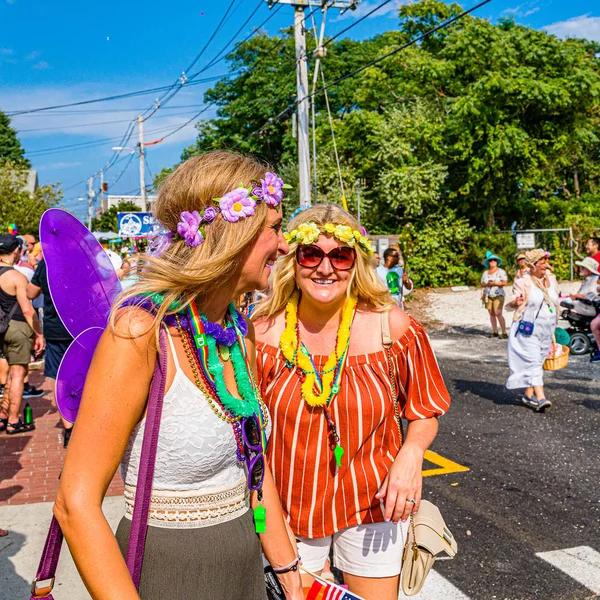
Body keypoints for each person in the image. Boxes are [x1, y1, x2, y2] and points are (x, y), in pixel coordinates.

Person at [53, 152, 303, 600]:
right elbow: (76, 503)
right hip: (169, 574)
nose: (285, 246)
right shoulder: (140, 332)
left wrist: (288, 570)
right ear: (234, 232)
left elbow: (255, 468)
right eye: (276, 229)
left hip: (245, 568)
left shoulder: (233, 331)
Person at [253, 204, 451, 600]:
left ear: (355, 262)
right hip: (290, 512)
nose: (325, 269)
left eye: (340, 255)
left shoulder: (392, 327)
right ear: (293, 260)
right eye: (312, 254)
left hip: (373, 503)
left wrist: (411, 455)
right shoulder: (261, 334)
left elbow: (425, 407)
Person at [0, 235, 45, 434]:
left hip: (1, 329)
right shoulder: (16, 276)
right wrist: (39, 333)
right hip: (17, 328)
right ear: (17, 251)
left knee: (9, 375)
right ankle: (12, 420)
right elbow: (28, 309)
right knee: (18, 374)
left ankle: (2, 415)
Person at [27, 258, 75, 447]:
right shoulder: (82, 259)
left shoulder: (47, 262)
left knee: (59, 378)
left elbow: (31, 292)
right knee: (84, 374)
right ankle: (84, 420)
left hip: (56, 330)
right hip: (81, 328)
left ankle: (69, 427)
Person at [505, 249, 558, 412]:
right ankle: (541, 397)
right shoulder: (524, 281)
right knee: (534, 361)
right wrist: (516, 302)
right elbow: (511, 302)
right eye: (541, 263)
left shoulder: (551, 279)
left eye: (545, 263)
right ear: (532, 265)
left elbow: (555, 301)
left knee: (539, 362)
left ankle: (528, 395)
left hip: (547, 329)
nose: (545, 266)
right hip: (528, 329)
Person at [481, 251, 508, 338]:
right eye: (490, 260)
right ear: (488, 262)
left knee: (498, 312)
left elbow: (504, 283)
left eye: (494, 260)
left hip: (498, 294)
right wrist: (487, 285)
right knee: (491, 313)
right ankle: (495, 331)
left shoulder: (501, 271)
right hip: (488, 295)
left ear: (496, 262)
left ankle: (504, 332)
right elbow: (482, 283)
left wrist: (495, 283)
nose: (492, 262)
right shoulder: (485, 273)